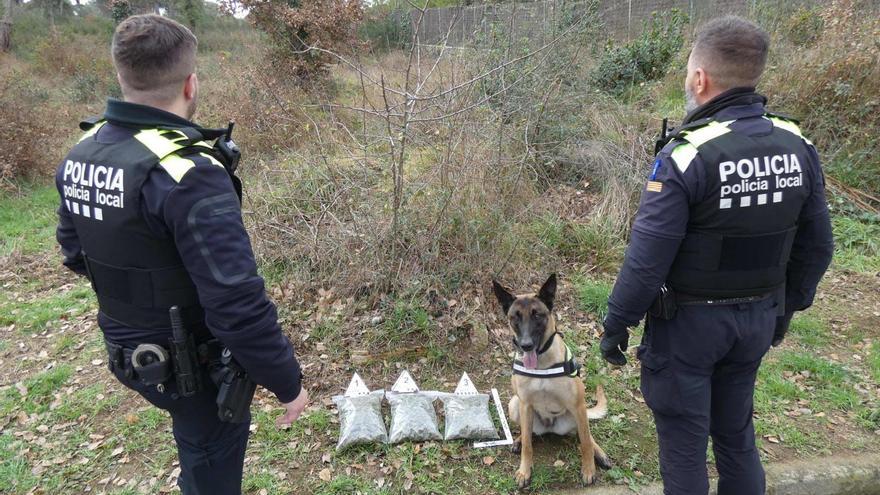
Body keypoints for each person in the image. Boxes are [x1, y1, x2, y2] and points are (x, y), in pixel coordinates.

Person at [54, 14, 308, 494]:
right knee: (210, 458)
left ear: (123, 76)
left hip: (126, 350)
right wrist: (287, 382)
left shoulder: (82, 152)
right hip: (188, 365)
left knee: (196, 449)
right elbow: (236, 301)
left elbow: (73, 252)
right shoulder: (187, 171)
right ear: (191, 84)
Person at [599, 16, 834, 495]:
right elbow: (818, 245)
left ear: (700, 78)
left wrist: (617, 324)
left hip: (689, 329)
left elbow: (646, 260)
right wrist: (786, 307)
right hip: (757, 321)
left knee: (685, 447)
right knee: (736, 437)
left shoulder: (687, 155)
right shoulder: (797, 144)